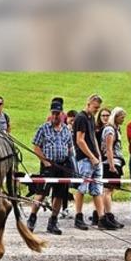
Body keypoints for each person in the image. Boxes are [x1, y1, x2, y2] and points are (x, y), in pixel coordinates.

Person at [27, 97, 73, 235]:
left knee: (59, 195)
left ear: (62, 114)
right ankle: (32, 218)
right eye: (53, 113)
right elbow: (36, 146)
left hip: (62, 166)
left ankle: (53, 221)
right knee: (41, 194)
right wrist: (46, 162)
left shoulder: (66, 130)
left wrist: (69, 160)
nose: (55, 116)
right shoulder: (44, 128)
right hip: (48, 165)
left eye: (57, 113)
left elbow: (70, 147)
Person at [72, 94, 117, 230]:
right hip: (85, 158)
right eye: (95, 107)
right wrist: (91, 156)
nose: (96, 110)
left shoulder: (91, 118)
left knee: (97, 189)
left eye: (98, 108)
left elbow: (93, 138)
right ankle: (78, 216)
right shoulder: (81, 118)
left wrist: (98, 155)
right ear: (88, 104)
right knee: (82, 188)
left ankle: (101, 217)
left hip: (95, 158)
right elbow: (80, 140)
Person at [100, 107, 127, 228]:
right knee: (107, 190)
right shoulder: (110, 130)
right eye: (122, 117)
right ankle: (108, 215)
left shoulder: (116, 129)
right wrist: (111, 165)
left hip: (116, 161)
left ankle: (107, 214)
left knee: (110, 190)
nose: (123, 120)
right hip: (110, 162)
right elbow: (109, 148)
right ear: (116, 117)